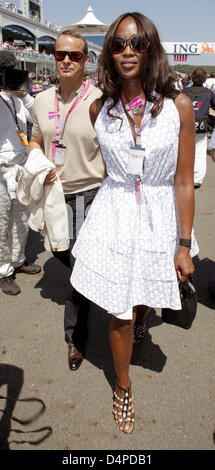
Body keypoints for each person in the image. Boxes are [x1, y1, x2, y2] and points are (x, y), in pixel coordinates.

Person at [70, 12, 198, 434]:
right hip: (117, 214)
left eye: (137, 43)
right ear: (109, 51)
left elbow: (183, 180)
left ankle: (144, 317)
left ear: (151, 49)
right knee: (120, 311)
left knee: (143, 292)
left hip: (160, 214)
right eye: (119, 44)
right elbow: (112, 170)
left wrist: (182, 242)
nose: (128, 51)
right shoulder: (98, 109)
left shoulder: (178, 107)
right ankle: (123, 385)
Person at [28, 31, 105, 371]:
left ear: (85, 60)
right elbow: (35, 138)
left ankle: (75, 339)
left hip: (89, 194)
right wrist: (38, 159)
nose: (66, 61)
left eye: (74, 56)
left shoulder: (101, 99)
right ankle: (99, 284)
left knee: (78, 267)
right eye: (60, 54)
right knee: (60, 252)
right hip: (53, 195)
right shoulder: (42, 100)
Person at [0, 50, 41, 296]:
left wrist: (22, 92)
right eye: (8, 72)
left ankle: (18, 259)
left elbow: (36, 114)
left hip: (21, 162)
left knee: (21, 216)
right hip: (1, 167)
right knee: (2, 220)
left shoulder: (17, 98)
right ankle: (4, 271)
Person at [183, 68, 215, 188]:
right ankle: (197, 178)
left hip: (186, 125)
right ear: (204, 78)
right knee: (200, 153)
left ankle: (185, 176)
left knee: (185, 151)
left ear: (191, 77)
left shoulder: (185, 91)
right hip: (201, 126)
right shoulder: (208, 92)